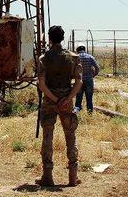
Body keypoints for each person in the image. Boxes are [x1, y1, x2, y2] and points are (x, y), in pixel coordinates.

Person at [37, 25, 83, 187]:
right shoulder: (73, 57)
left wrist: (54, 99)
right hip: (67, 101)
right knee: (70, 136)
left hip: (50, 101)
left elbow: (41, 84)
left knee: (47, 137)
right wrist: (67, 99)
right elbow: (79, 82)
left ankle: (47, 176)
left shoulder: (44, 58)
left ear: (50, 38)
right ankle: (72, 176)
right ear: (62, 38)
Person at [74, 46, 99, 113]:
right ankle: (89, 113)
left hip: (79, 81)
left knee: (78, 98)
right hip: (89, 80)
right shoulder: (90, 57)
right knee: (89, 98)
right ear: (84, 50)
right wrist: (93, 75)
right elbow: (97, 67)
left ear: (77, 50)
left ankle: (76, 113)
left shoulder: (76, 57)